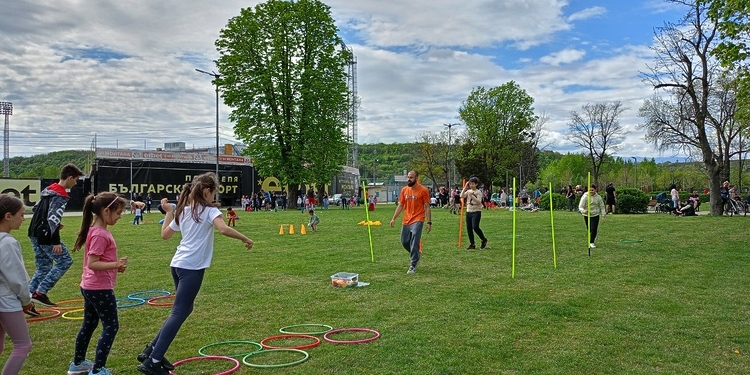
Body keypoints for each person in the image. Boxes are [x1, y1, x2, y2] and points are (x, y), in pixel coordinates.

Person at [137, 172, 254, 375]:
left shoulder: (184, 210)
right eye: (214, 193)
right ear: (207, 191)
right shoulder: (209, 211)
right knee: (179, 312)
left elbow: (165, 235)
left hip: (178, 265)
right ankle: (153, 361)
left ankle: (151, 351)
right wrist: (245, 238)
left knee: (184, 309)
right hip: (191, 268)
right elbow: (224, 229)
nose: (214, 197)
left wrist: (168, 212)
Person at [68, 192, 128, 375]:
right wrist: (115, 264)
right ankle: (98, 369)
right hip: (99, 288)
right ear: (106, 211)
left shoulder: (95, 230)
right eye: (118, 213)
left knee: (89, 323)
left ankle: (78, 364)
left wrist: (114, 267)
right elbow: (92, 263)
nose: (119, 217)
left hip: (90, 286)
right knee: (111, 326)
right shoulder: (100, 234)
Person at [28, 163, 84, 306]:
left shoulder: (48, 190)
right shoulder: (60, 195)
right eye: (76, 179)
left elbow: (36, 209)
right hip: (46, 235)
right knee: (65, 261)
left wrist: (51, 223)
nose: (76, 183)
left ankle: (26, 297)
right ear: (70, 178)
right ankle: (40, 293)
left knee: (44, 266)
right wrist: (56, 240)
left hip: (34, 231)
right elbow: (53, 218)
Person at [0, 194, 36, 375]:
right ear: (8, 216)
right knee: (23, 345)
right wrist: (26, 300)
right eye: (21, 215)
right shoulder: (7, 243)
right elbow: (17, 278)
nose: (23, 219)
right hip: (6, 301)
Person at [389, 170, 431, 274]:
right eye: (408, 177)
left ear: (416, 178)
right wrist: (393, 218)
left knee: (414, 241)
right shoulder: (404, 190)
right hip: (406, 220)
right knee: (404, 241)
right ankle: (416, 254)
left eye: (411, 177)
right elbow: (401, 205)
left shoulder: (423, 190)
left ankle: (412, 265)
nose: (409, 179)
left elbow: (426, 206)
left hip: (418, 218)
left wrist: (429, 222)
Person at [461, 177, 489, 250]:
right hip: (469, 211)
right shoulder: (468, 191)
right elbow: (461, 196)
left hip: (476, 211)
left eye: (473, 184)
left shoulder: (478, 192)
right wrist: (465, 187)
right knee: (469, 228)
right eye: (470, 184)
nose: (471, 185)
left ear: (476, 184)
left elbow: (479, 201)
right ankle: (472, 244)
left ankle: (483, 239)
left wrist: (472, 196)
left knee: (475, 227)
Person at [579, 184, 606, 249]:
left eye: (592, 190)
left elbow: (602, 206)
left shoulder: (598, 197)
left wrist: (603, 215)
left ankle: (591, 242)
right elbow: (580, 206)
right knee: (590, 230)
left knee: (593, 229)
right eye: (590, 190)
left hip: (595, 214)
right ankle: (595, 233)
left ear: (595, 190)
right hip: (586, 215)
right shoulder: (585, 196)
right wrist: (583, 211)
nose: (591, 191)